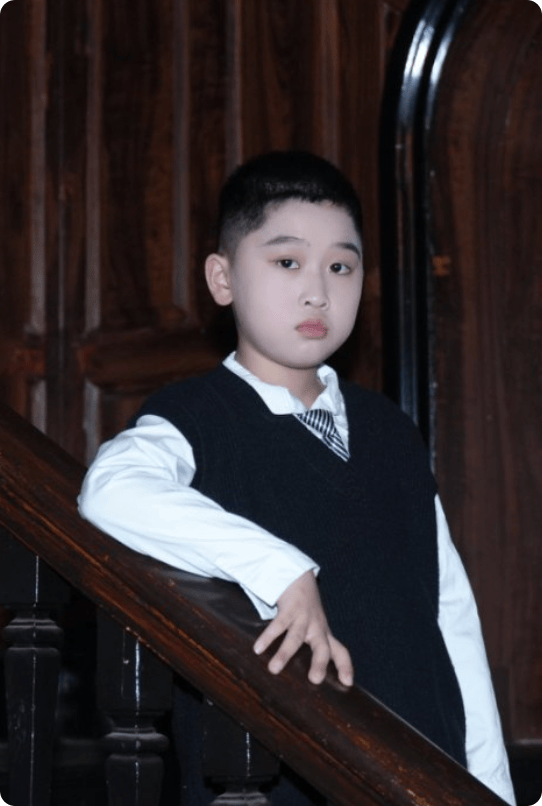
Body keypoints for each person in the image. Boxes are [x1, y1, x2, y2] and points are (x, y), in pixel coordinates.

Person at [79, 151, 515, 805]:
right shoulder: (198, 415)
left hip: (425, 771)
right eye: (287, 262)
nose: (318, 291)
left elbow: (451, 612)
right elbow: (111, 488)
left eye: (341, 266)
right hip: (276, 779)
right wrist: (281, 570)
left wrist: (490, 785)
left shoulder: (390, 430)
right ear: (222, 278)